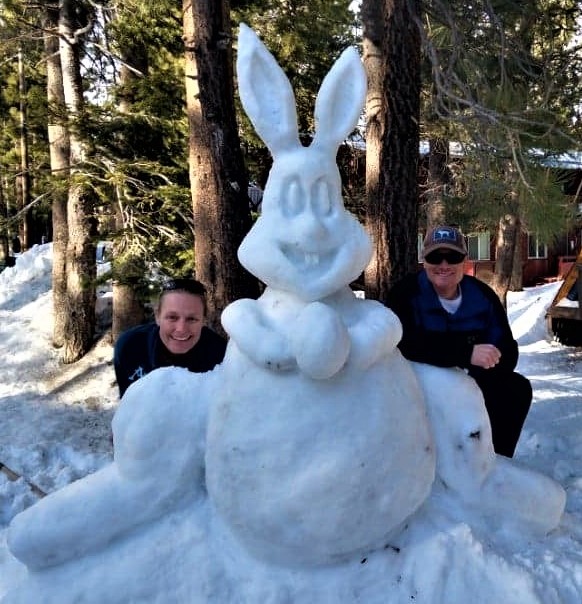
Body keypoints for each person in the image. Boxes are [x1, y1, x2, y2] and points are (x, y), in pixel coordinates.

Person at [386, 225, 532, 458]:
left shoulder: (482, 295)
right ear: (424, 261)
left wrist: (485, 365)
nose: (444, 265)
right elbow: (404, 343)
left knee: (515, 388)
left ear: (464, 261)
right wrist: (464, 352)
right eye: (436, 257)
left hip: (473, 381)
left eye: (452, 257)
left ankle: (493, 460)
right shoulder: (405, 294)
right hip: (421, 386)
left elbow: (505, 347)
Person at [113, 278, 227, 397]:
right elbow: (128, 405)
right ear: (157, 316)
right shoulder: (130, 347)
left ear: (203, 321)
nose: (181, 329)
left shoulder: (219, 354)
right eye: (172, 317)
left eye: (192, 319)